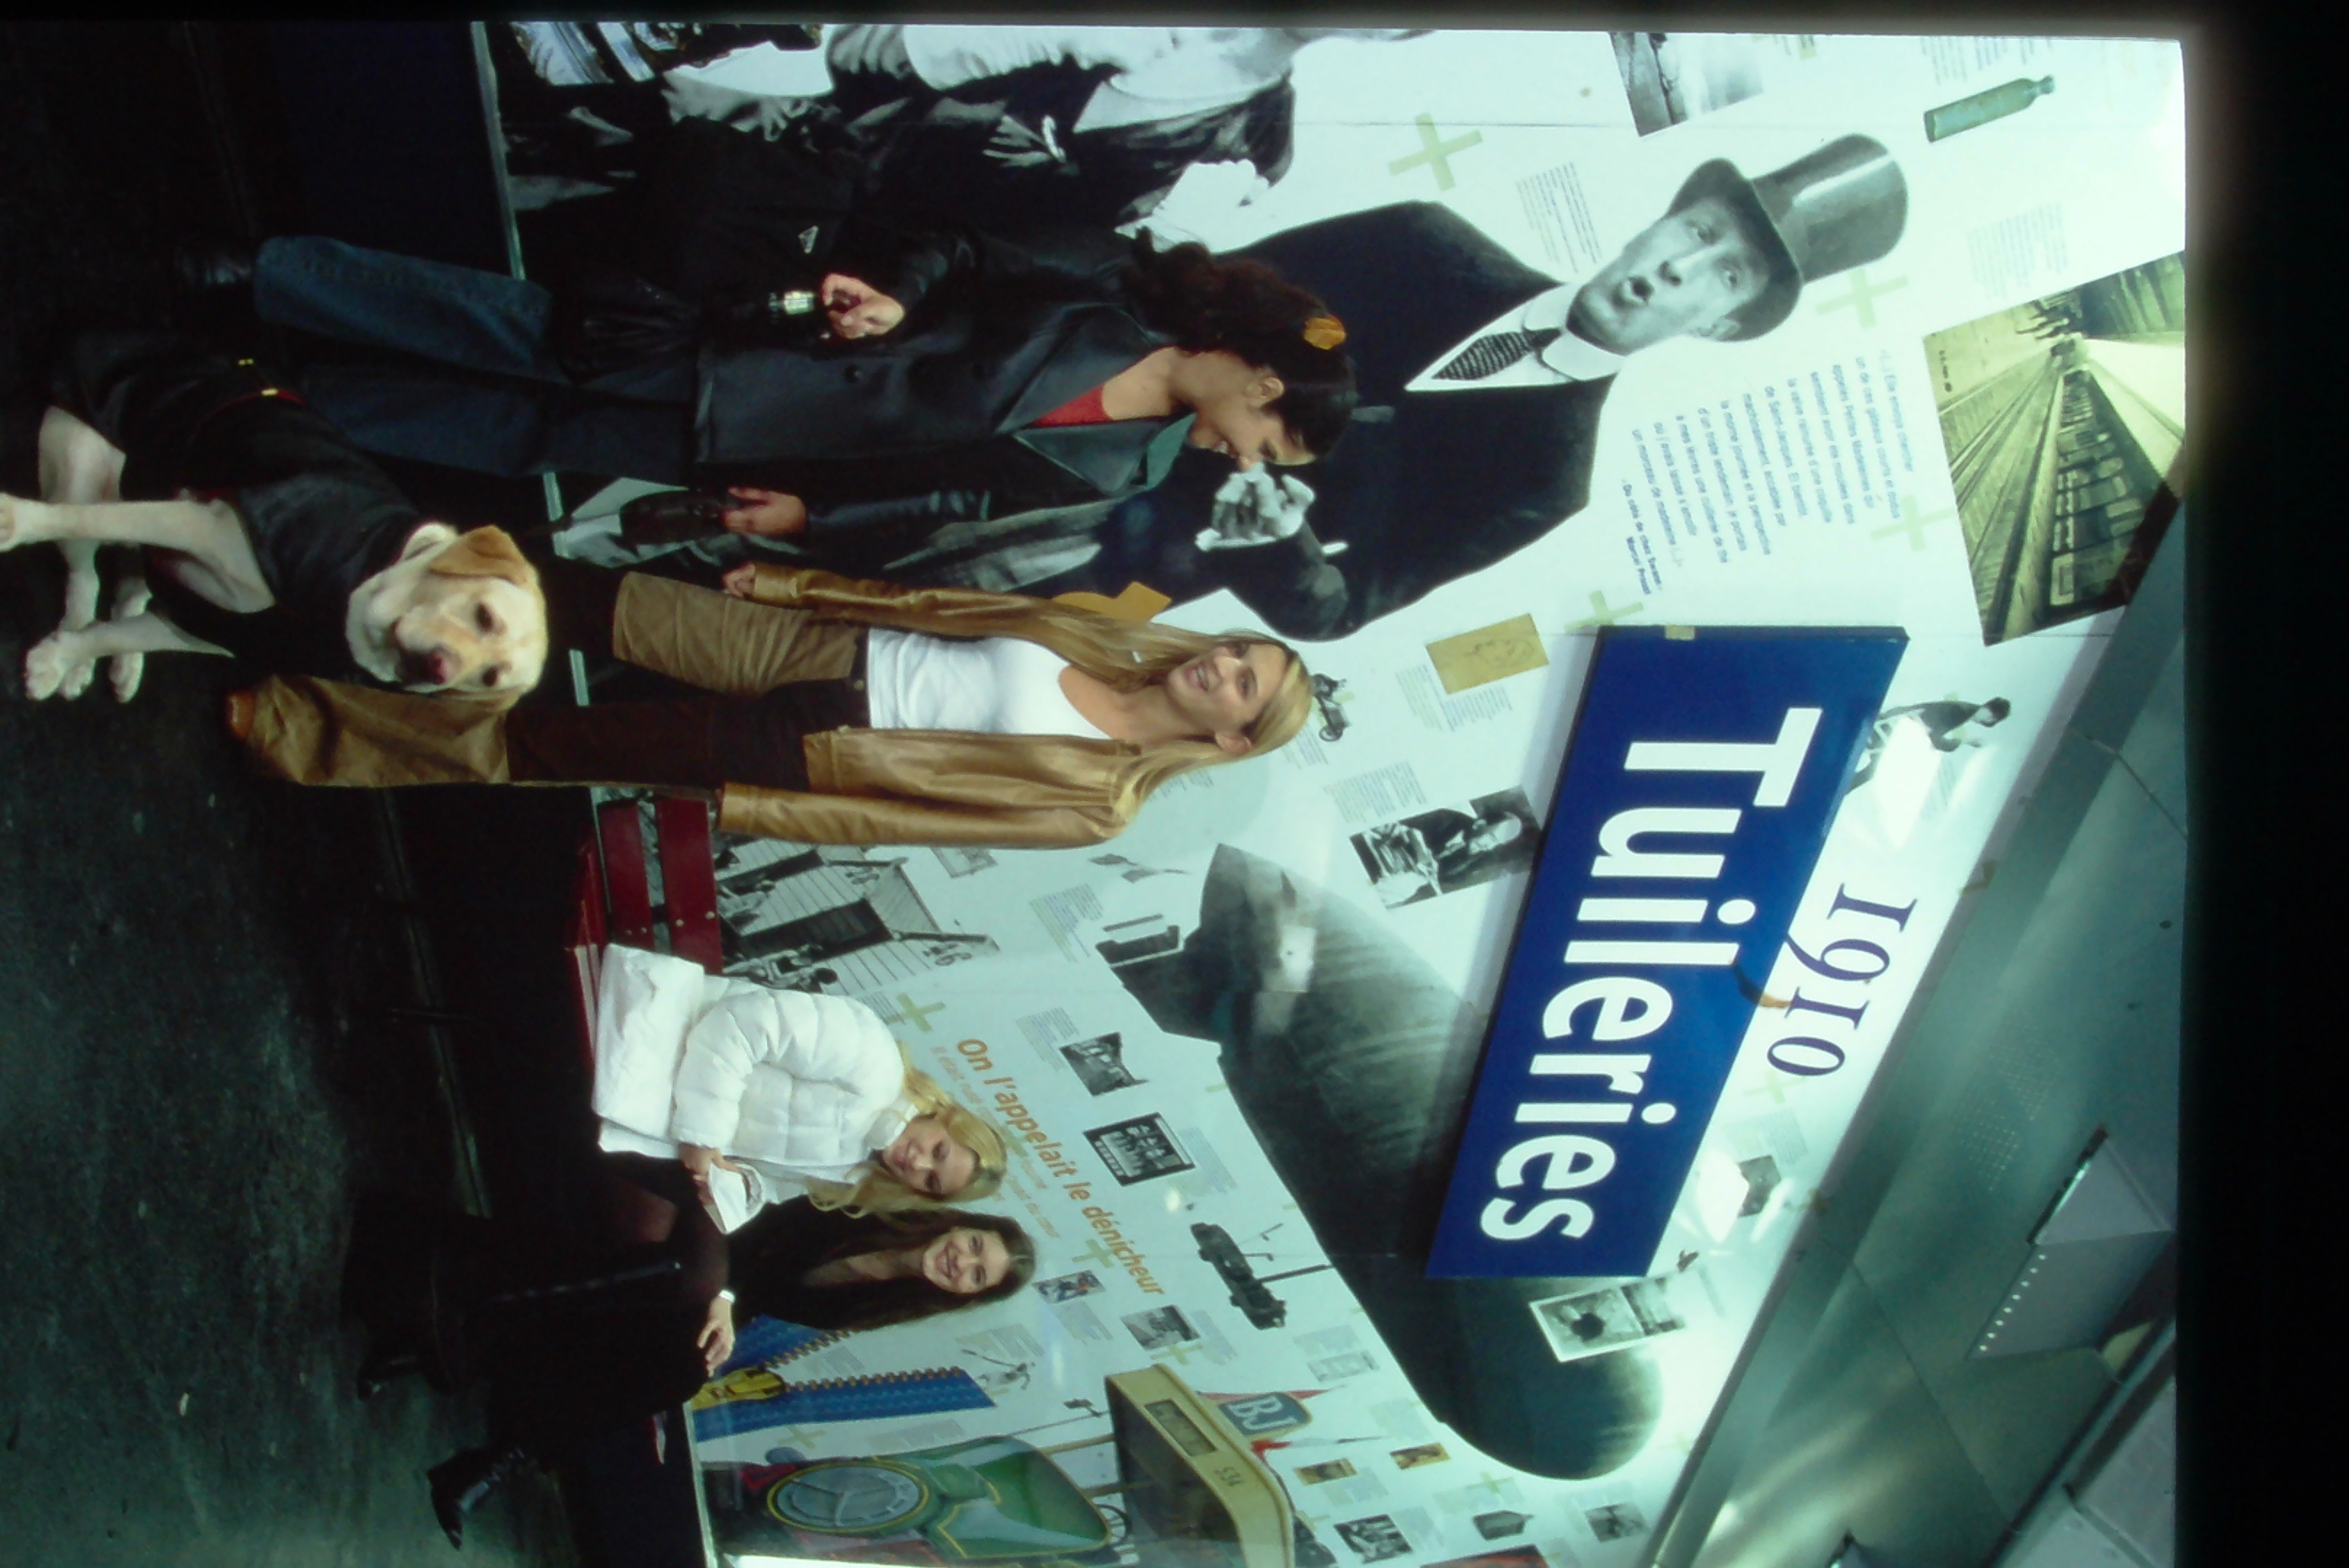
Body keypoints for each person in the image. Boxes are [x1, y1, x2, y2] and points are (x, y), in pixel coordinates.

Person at [881, 136, 1911, 638]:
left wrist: (1274, 538)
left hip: (1100, 568)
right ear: (1657, 221)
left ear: (1722, 325)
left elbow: (1337, 610)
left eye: (1723, 275)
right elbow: (1186, 289)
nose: (1676, 269)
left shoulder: (1545, 480)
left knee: (866, 636)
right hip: (1028, 412)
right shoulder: (1424, 243)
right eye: (1695, 231)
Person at [181, 140, 1357, 532]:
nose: (1243, 464)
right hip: (769, 352)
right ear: (1262, 381)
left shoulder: (1123, 473)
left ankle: (275, 393)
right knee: (514, 331)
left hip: (762, 449)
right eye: (1267, 445)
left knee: (522, 435)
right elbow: (957, 247)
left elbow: (955, 498)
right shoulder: (1112, 281)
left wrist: (811, 515)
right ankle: (271, 276)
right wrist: (896, 295)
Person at [228, 561, 1314, 848]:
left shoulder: (1098, 804)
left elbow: (906, 822)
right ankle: (296, 581)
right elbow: (933, 605)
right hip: (817, 641)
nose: (1220, 665)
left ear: (1231, 738)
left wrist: (755, 808)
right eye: (1233, 650)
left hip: (809, 744)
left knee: (546, 742)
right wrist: (796, 587)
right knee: (563, 599)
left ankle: (298, 728)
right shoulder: (1093, 635)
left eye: (1241, 684)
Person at [361, 1181, 1035, 1546]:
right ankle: (459, 1365)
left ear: (964, 1295)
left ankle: (497, 1451)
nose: (962, 1262)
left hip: (713, 1287)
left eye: (976, 1276)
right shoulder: (868, 1207)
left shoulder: (877, 1304)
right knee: (667, 1286)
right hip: (710, 1222)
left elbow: (761, 1299)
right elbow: (754, 1217)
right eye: (975, 1245)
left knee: (683, 1369)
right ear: (961, 1224)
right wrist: (725, 1298)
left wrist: (722, 1329)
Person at [589, 941, 1006, 1221]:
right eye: (938, 1150)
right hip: (625, 1026)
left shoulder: (856, 1172)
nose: (918, 1163)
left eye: (931, 1180)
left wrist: (734, 1188)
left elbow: (769, 1181)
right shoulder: (874, 1059)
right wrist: (703, 1136)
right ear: (943, 1115)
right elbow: (740, 1024)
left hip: (626, 1099)